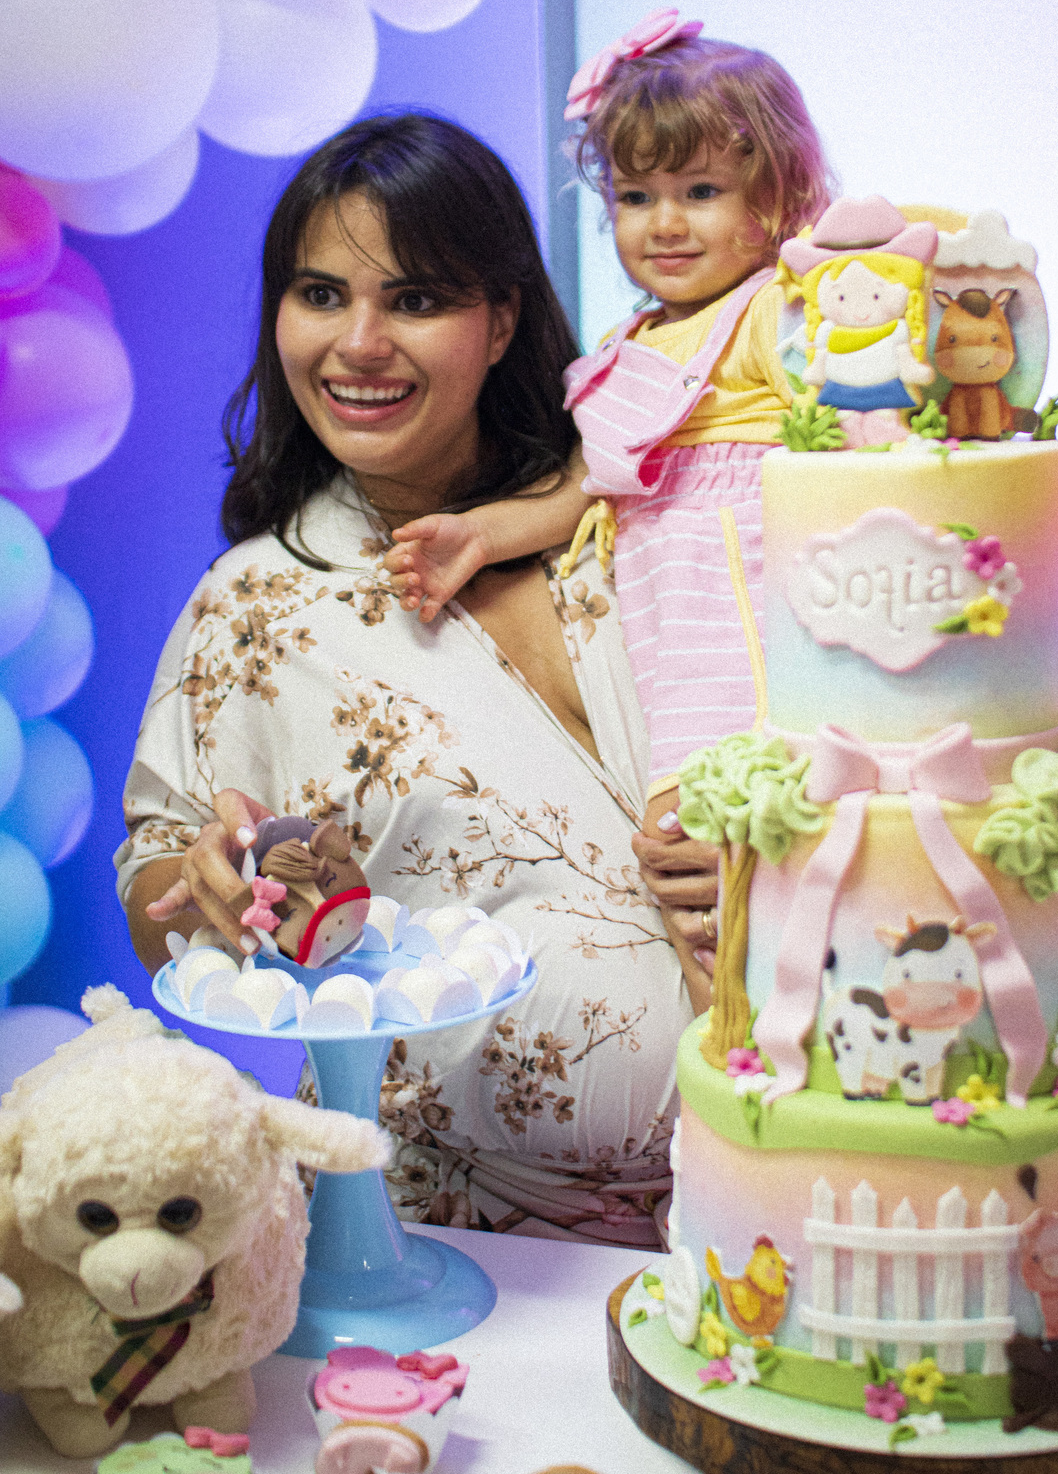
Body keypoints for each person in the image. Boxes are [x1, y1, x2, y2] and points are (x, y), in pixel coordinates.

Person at [116, 113, 716, 1245]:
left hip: (791, 1192)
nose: (360, 343)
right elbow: (163, 893)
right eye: (321, 294)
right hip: (432, 1245)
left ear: (502, 320)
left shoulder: (653, 509)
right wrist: (218, 891)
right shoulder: (255, 606)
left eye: (417, 299)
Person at [386, 11, 833, 850]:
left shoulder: (777, 309)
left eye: (700, 192)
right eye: (636, 197)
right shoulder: (632, 343)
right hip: (669, 622)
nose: (664, 223)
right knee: (681, 819)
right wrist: (479, 535)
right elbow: (594, 486)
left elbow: (855, 435)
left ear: (779, 195)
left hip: (755, 603)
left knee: (769, 811)